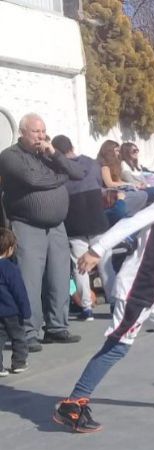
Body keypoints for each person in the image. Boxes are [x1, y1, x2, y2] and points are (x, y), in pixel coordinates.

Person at [54, 145, 154, 434]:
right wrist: (97, 248)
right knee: (118, 345)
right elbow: (133, 221)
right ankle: (74, 404)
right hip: (140, 290)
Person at [0, 113, 84, 350]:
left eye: (43, 131)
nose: (41, 136)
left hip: (57, 226)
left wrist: (55, 155)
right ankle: (28, 332)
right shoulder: (9, 156)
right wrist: (60, 177)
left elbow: (77, 173)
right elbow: (32, 180)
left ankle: (57, 327)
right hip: (27, 224)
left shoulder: (49, 156)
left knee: (59, 278)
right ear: (22, 133)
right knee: (30, 281)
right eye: (35, 131)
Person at [51, 135, 113, 320]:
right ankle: (116, 303)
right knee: (105, 264)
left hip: (74, 223)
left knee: (81, 267)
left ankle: (87, 309)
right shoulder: (92, 164)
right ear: (72, 145)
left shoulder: (58, 169)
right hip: (97, 220)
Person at [0, 228, 30, 376]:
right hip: (12, 311)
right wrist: (26, 310)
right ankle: (18, 363)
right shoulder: (10, 268)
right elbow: (19, 291)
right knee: (18, 337)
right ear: (10, 248)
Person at [97, 140, 148, 216]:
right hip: (110, 194)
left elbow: (119, 181)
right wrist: (129, 184)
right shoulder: (104, 166)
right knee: (142, 195)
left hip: (117, 191)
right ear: (109, 151)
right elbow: (109, 184)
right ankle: (122, 212)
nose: (118, 153)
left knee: (142, 194)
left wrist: (132, 185)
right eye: (116, 151)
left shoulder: (115, 165)